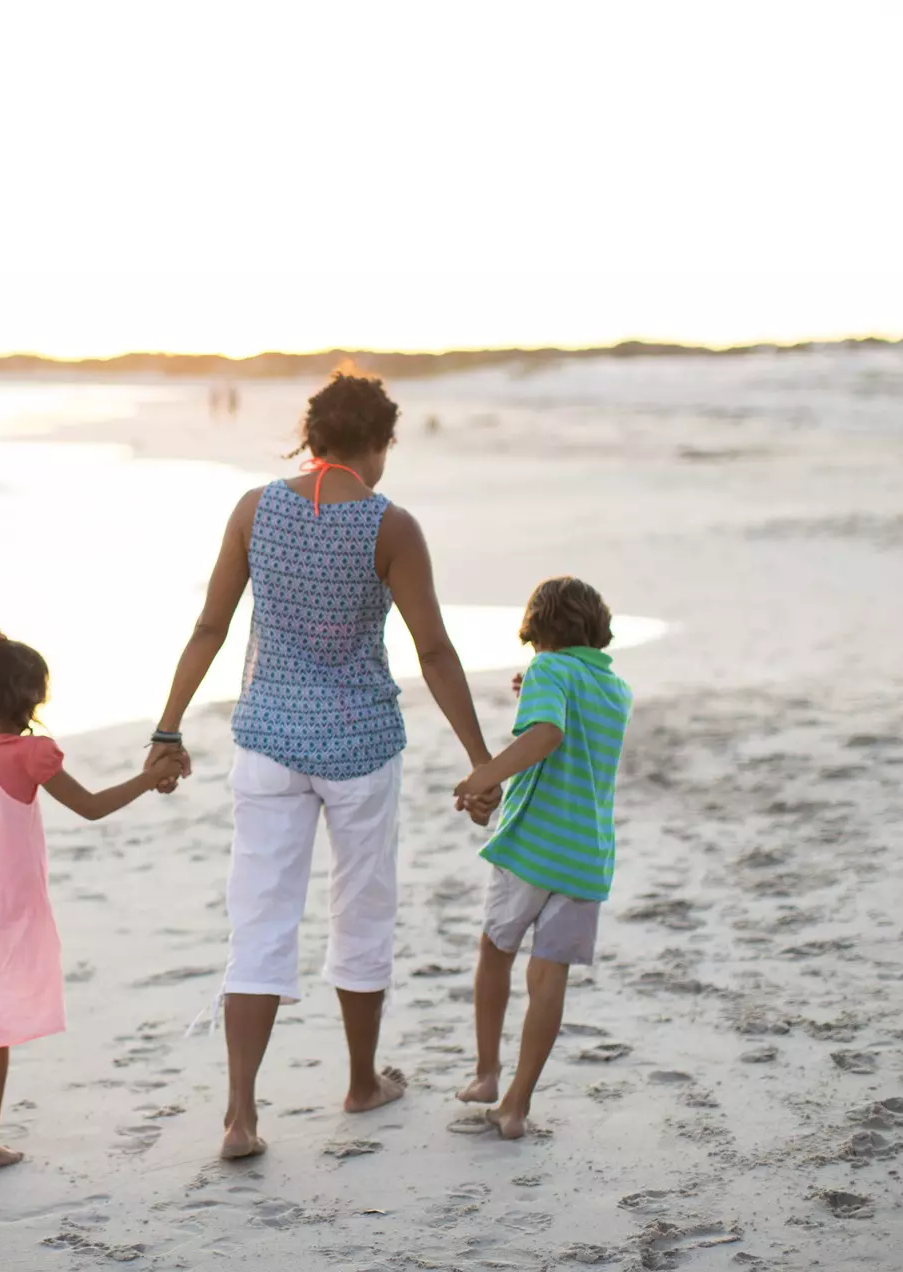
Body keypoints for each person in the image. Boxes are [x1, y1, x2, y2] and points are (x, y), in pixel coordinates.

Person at [148, 370, 502, 1160]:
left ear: (311, 439)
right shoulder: (391, 525)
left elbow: (210, 625)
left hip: (268, 741)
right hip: (360, 747)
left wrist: (167, 727)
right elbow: (434, 650)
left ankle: (241, 1113)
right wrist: (481, 760)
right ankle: (361, 1079)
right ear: (378, 445)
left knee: (261, 921)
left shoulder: (255, 509)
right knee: (362, 910)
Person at [0, 629, 185, 1171]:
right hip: (5, 908)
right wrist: (147, 778)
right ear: (27, 699)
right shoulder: (32, 754)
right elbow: (90, 806)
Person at [451, 577, 632, 1139]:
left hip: (533, 847)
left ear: (539, 631)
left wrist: (486, 774)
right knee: (548, 974)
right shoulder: (616, 689)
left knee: (496, 947)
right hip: (586, 856)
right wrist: (532, 683)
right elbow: (570, 716)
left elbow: (549, 733)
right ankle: (516, 1105)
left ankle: (485, 1073)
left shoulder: (549, 672)